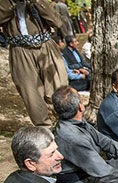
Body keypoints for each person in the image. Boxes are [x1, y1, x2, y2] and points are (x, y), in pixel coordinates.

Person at [0, 0, 68, 128]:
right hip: (19, 50)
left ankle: (66, 123)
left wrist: (36, 2)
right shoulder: (5, 3)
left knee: (58, 86)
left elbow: (57, 22)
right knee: (30, 92)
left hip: (46, 47)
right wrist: (12, 5)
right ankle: (45, 128)